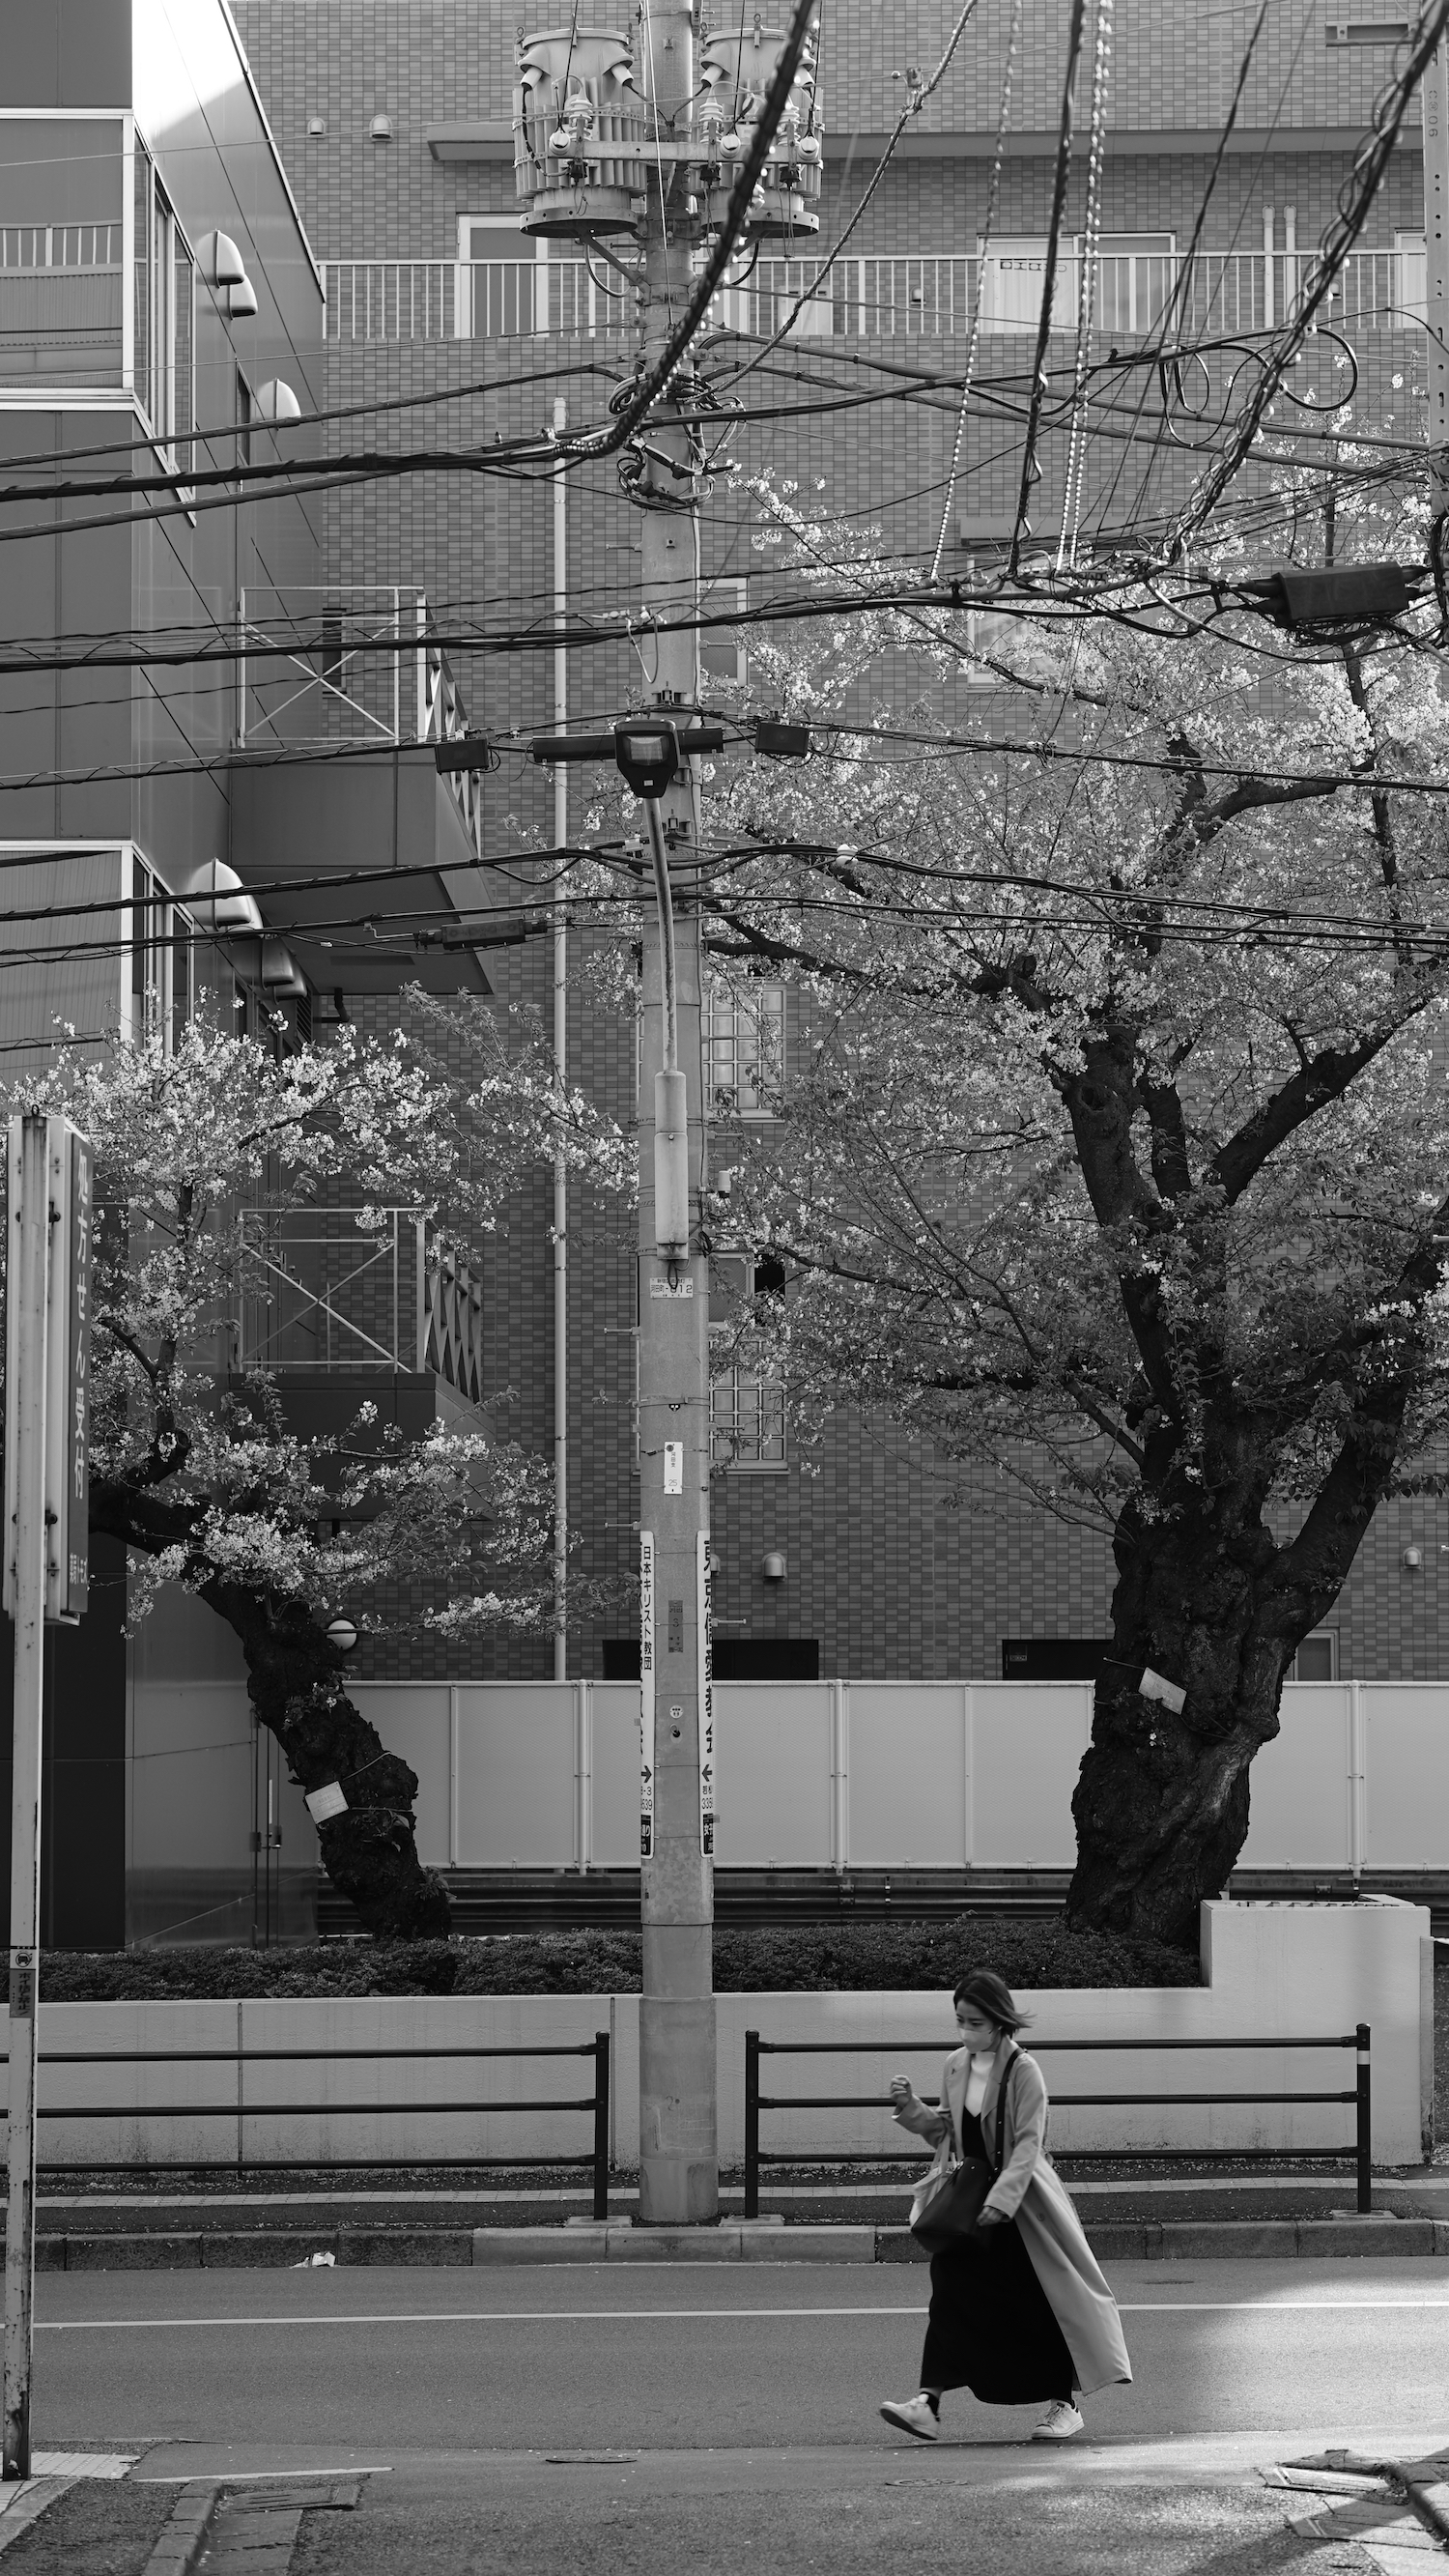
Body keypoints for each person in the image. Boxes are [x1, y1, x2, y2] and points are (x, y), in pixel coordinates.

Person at [878, 1967, 1131, 2445]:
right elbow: (947, 2134)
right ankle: (926, 2404)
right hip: (970, 2205)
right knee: (950, 2296)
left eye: (974, 2021)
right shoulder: (955, 2065)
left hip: (1021, 2207)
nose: (966, 2031)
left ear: (998, 2021)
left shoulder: (1023, 2070)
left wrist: (1003, 2199)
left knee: (1037, 2301)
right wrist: (912, 2109)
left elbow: (1029, 2145)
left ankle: (1065, 2404)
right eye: (960, 2021)